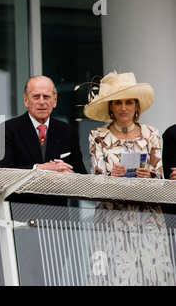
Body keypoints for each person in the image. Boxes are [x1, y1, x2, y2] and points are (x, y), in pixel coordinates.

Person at [82, 71, 174, 285]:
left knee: (151, 276)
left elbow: (161, 180)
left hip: (148, 218)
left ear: (136, 106)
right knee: (113, 276)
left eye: (129, 102)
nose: (124, 108)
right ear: (111, 107)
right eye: (118, 102)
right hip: (112, 217)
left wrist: (148, 175)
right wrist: (110, 175)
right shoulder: (98, 135)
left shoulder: (152, 133)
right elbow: (94, 180)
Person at [0, 75, 87, 285]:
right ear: (26, 100)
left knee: (49, 279)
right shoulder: (4, 130)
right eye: (36, 96)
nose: (41, 101)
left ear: (55, 100)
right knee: (11, 279)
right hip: (18, 221)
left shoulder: (68, 132)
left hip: (56, 224)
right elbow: (4, 172)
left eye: (47, 96)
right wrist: (40, 169)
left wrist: (68, 174)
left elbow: (81, 176)